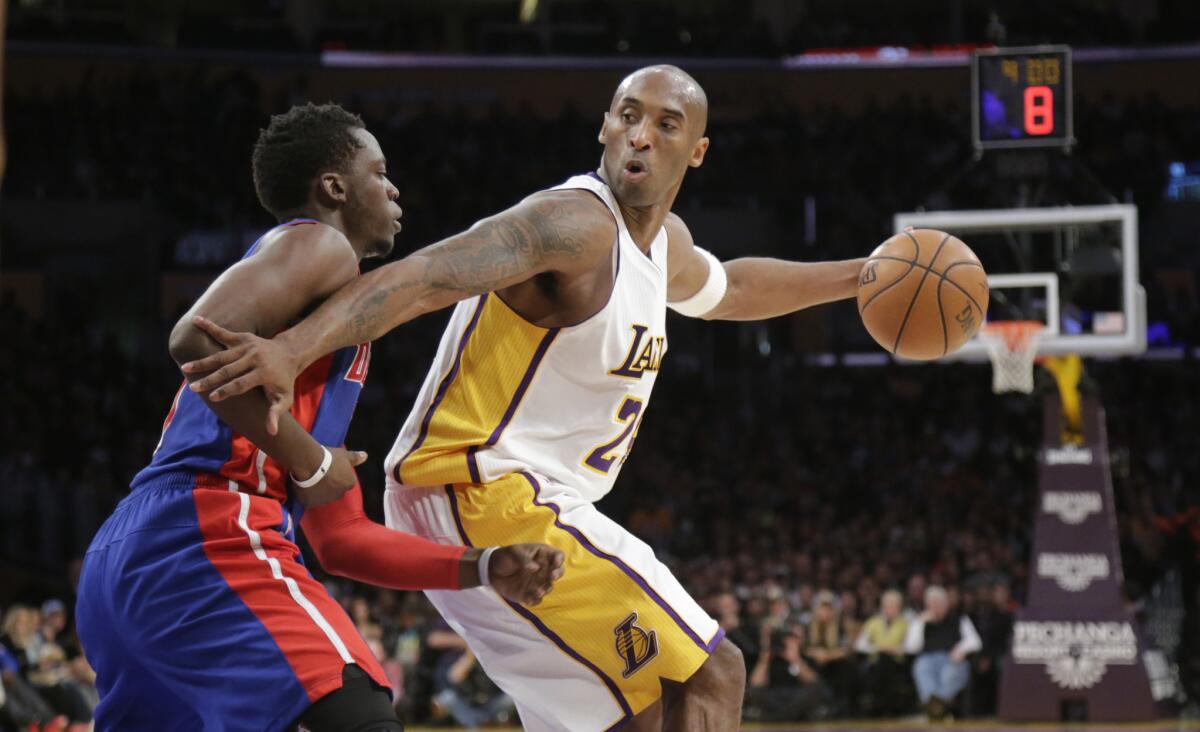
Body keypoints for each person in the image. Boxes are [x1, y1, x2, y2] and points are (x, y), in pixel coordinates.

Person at [183, 65, 867, 731]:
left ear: (697, 151)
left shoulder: (663, 248)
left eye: (666, 124)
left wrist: (865, 275)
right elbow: (426, 276)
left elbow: (734, 290)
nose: (641, 135)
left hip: (492, 500)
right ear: (604, 128)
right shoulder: (573, 224)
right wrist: (293, 348)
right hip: (483, 487)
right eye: (627, 116)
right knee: (712, 672)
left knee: (646, 714)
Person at [75, 103, 563, 732]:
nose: (393, 188)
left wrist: (482, 566)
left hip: (125, 558)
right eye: (379, 171)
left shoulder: (316, 342)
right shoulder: (320, 243)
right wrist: (311, 459)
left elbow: (343, 542)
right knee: (361, 713)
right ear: (334, 187)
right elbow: (192, 340)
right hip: (211, 530)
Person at [903, 585, 982, 721]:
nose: (935, 607)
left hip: (951, 659)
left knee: (950, 673)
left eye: (939, 603)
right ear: (926, 605)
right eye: (932, 604)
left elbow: (975, 641)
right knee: (921, 668)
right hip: (927, 658)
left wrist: (961, 649)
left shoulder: (959, 619)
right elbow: (911, 647)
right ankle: (939, 709)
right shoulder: (920, 622)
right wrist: (920, 623)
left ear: (946, 604)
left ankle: (933, 708)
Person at [854, 589, 911, 716]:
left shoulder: (906, 623)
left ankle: (880, 705)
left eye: (893, 607)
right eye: (887, 606)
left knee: (885, 663)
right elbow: (860, 644)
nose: (889, 610)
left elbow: (910, 645)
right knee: (881, 663)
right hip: (875, 661)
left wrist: (896, 650)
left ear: (899, 608)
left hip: (897, 662)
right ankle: (880, 705)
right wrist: (878, 648)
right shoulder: (873, 622)